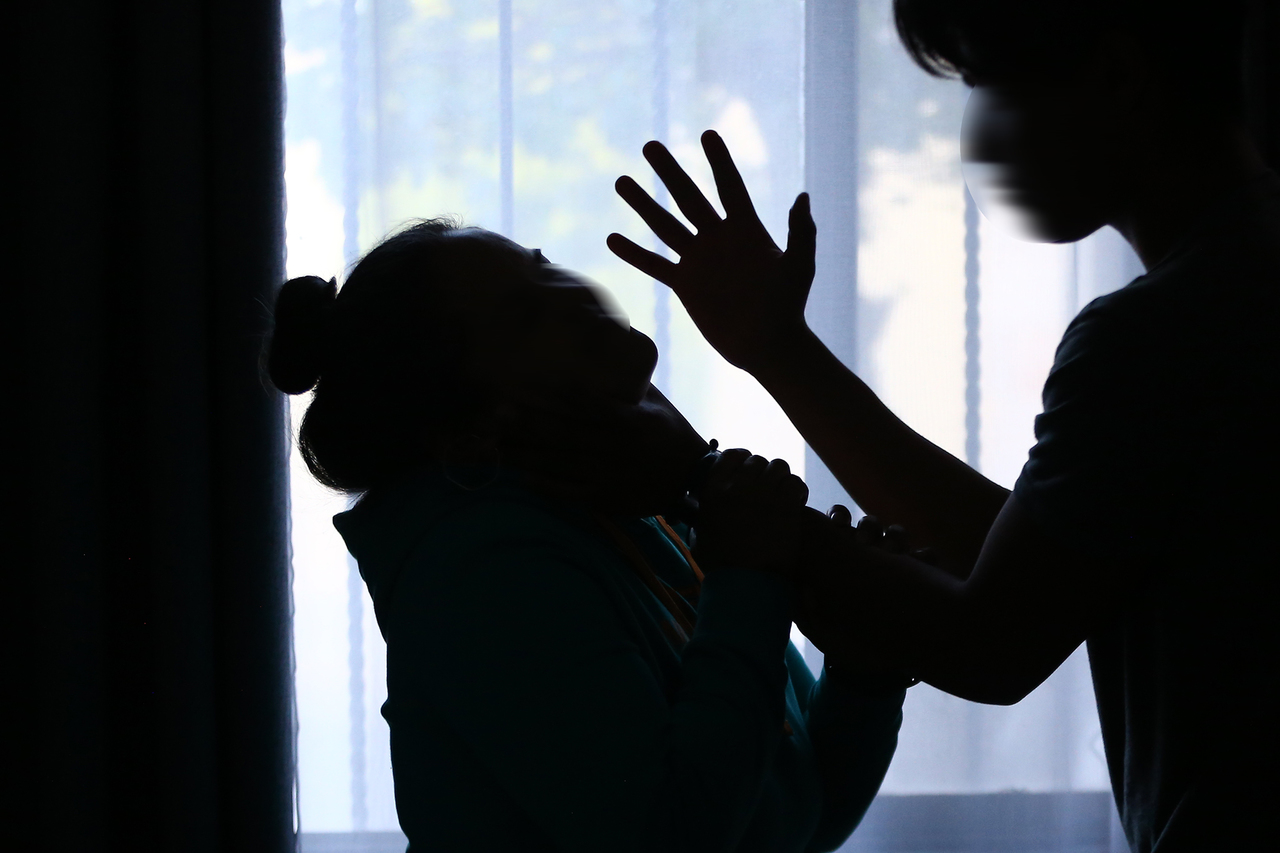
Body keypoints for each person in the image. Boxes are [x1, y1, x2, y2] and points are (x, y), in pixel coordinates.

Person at [600, 1, 1278, 850]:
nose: (978, 131)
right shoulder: (1235, 282)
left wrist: (721, 499)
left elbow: (994, 641)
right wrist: (780, 351)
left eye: (987, 82)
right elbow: (1031, 559)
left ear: (1115, 72)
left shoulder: (1160, 333)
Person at [266, 219, 907, 852]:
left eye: (544, 266)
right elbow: (674, 838)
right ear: (470, 431)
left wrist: (863, 677)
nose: (572, 293)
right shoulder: (487, 578)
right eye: (524, 314)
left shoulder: (635, 505)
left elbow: (787, 818)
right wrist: (748, 576)